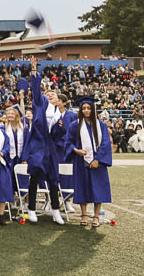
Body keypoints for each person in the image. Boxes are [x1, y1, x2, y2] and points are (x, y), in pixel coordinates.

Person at [20, 57, 65, 225]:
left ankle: (55, 210)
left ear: (58, 100)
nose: (50, 95)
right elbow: (36, 90)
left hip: (50, 147)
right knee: (35, 178)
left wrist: (59, 128)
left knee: (53, 179)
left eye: (53, 94)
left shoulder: (58, 113)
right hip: (39, 146)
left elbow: (58, 135)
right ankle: (31, 209)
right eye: (48, 93)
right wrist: (33, 71)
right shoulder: (40, 105)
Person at [65, 96, 112, 228]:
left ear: (93, 109)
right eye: (84, 108)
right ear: (81, 110)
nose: (86, 110)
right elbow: (68, 142)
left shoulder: (101, 125)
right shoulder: (75, 125)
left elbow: (105, 144)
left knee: (99, 189)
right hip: (81, 162)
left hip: (98, 163)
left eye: (89, 108)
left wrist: (98, 159)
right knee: (82, 187)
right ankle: (84, 214)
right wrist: (76, 150)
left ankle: (96, 216)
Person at [51, 94, 78, 213]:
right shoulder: (52, 113)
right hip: (55, 147)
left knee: (67, 174)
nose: (57, 102)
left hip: (67, 148)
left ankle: (67, 201)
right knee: (54, 173)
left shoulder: (72, 115)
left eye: (60, 101)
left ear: (64, 102)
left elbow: (75, 131)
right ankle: (53, 200)